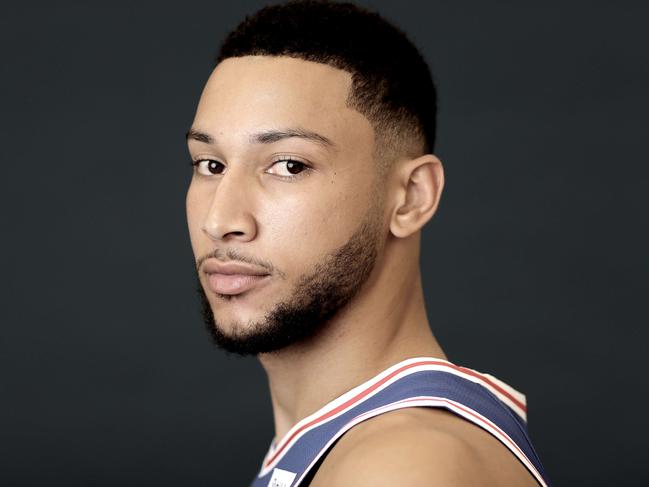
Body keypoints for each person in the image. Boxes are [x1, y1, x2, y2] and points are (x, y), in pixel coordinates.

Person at [184, 1, 552, 485]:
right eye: (210, 165)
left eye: (290, 165)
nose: (220, 220)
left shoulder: (403, 467)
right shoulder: (351, 443)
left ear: (411, 198)